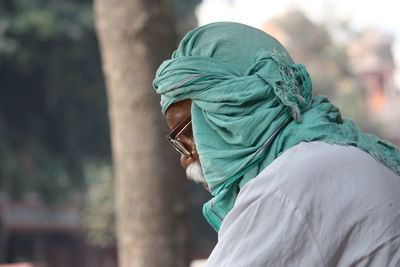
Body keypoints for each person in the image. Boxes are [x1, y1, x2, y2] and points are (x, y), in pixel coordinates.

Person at [153, 22, 400, 266]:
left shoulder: (288, 185)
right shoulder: (338, 155)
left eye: (188, 134)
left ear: (236, 107)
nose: (186, 158)